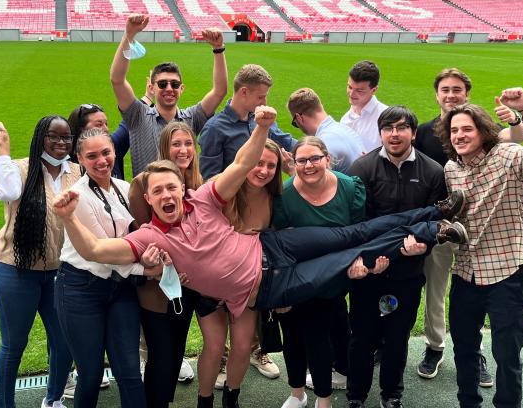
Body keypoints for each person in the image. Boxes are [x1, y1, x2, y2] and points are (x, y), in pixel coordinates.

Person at [50, 106, 469, 405]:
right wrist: (69, 218)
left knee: (350, 233)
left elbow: (243, 163)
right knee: (349, 257)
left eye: (171, 188)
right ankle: (434, 230)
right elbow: (94, 249)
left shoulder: (203, 198)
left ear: (181, 188)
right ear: (148, 197)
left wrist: (261, 127)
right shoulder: (148, 237)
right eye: (156, 191)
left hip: (271, 246)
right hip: (268, 284)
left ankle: (435, 214)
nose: (166, 195)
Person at [435, 89, 523, 408]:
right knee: (464, 349)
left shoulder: (507, 157)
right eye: (454, 131)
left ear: (482, 130)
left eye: (467, 128)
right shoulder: (451, 170)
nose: (460, 135)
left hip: (507, 273)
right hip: (466, 274)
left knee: (507, 355)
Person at [413, 68, 523, 384]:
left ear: (466, 94)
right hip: (438, 227)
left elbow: (516, 139)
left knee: (474, 298)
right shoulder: (423, 132)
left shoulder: (478, 128)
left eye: (457, 90)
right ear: (437, 94)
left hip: (477, 228)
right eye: (445, 90)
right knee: (436, 291)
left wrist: (516, 120)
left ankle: (474, 356)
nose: (450, 95)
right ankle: (434, 348)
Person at [345, 106, 447, 408]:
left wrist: (423, 249)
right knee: (362, 338)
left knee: (397, 337)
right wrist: (366, 259)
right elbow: (356, 224)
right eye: (388, 128)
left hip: (408, 272)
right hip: (369, 272)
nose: (394, 134)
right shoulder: (362, 169)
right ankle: (356, 396)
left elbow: (434, 223)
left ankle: (392, 395)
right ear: (380, 133)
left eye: (401, 127)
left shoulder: (432, 172)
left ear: (413, 133)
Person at [54, 128, 159, 407]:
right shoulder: (76, 196)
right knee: (90, 374)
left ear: (114, 151)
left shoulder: (125, 189)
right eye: (92, 156)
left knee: (129, 371)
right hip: (79, 288)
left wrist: (151, 258)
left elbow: (141, 235)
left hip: (119, 288)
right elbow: (105, 251)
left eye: (106, 152)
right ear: (80, 160)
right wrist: (145, 270)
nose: (101, 161)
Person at [0, 117, 79, 408]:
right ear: (41, 137)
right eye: (54, 136)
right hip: (16, 270)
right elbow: (7, 192)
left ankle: (53, 400)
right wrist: (4, 149)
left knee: (64, 341)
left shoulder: (77, 172)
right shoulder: (20, 168)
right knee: (14, 345)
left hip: (59, 272)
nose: (61, 143)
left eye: (67, 137)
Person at [271, 136, 366, 408]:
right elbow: (281, 241)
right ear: (294, 162)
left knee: (320, 338)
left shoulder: (349, 187)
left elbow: (358, 233)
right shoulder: (285, 195)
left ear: (327, 158)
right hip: (295, 278)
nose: (309, 165)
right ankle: (297, 393)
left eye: (315, 158)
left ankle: (323, 398)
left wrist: (355, 260)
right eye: (302, 160)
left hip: (333, 278)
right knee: (292, 336)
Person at [196, 139, 286, 407]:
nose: (264, 170)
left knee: (244, 346)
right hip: (210, 287)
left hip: (248, 287)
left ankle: (231, 398)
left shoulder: (274, 199)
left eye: (271, 165)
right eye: (258, 163)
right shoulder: (221, 189)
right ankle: (205, 400)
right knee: (213, 348)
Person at [127, 122, 202, 408]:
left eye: (188, 143)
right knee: (161, 355)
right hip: (156, 288)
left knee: (176, 351)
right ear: (164, 148)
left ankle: (164, 401)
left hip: (188, 287)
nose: (183, 150)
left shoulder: (197, 182)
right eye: (176, 144)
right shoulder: (143, 183)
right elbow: (144, 237)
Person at [110, 14, 228, 176]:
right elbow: (117, 80)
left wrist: (218, 49)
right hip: (146, 198)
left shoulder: (191, 118)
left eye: (175, 84)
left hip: (182, 197)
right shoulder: (138, 115)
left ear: (182, 89)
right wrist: (128, 36)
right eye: (162, 84)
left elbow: (219, 91)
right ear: (152, 88)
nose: (169, 88)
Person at [199, 63, 296, 181]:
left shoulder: (261, 118)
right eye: (260, 97)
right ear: (244, 92)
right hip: (235, 197)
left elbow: (287, 141)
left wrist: (316, 150)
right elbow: (209, 180)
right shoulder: (214, 129)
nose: (264, 103)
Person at [288, 88, 366, 174]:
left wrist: (291, 171)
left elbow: (314, 185)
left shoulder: (322, 146)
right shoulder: (346, 129)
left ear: (299, 118)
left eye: (295, 124)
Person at [67, 103, 129, 181]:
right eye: (99, 125)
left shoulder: (112, 144)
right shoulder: (65, 165)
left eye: (106, 124)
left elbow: (132, 117)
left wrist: (148, 97)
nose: (106, 129)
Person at [340, 61, 388, 152]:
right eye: (350, 87)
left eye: (359, 91)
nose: (351, 94)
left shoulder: (387, 117)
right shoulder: (344, 119)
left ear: (374, 90)